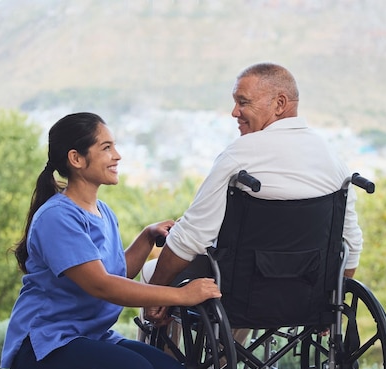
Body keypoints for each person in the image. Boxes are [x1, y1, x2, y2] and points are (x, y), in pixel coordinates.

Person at [0, 112, 221, 369]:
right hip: (43, 353)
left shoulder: (103, 211)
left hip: (90, 340)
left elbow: (115, 273)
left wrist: (146, 238)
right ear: (76, 158)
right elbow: (101, 285)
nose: (117, 156)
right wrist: (182, 296)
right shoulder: (57, 217)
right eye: (106, 148)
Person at [143, 62, 363, 328]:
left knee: (156, 273)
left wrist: (157, 291)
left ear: (279, 104)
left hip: (242, 296)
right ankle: (226, 364)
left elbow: (191, 236)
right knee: (245, 280)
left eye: (243, 102)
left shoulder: (241, 155)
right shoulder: (333, 160)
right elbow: (350, 243)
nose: (235, 112)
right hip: (305, 296)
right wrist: (334, 301)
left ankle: (173, 367)